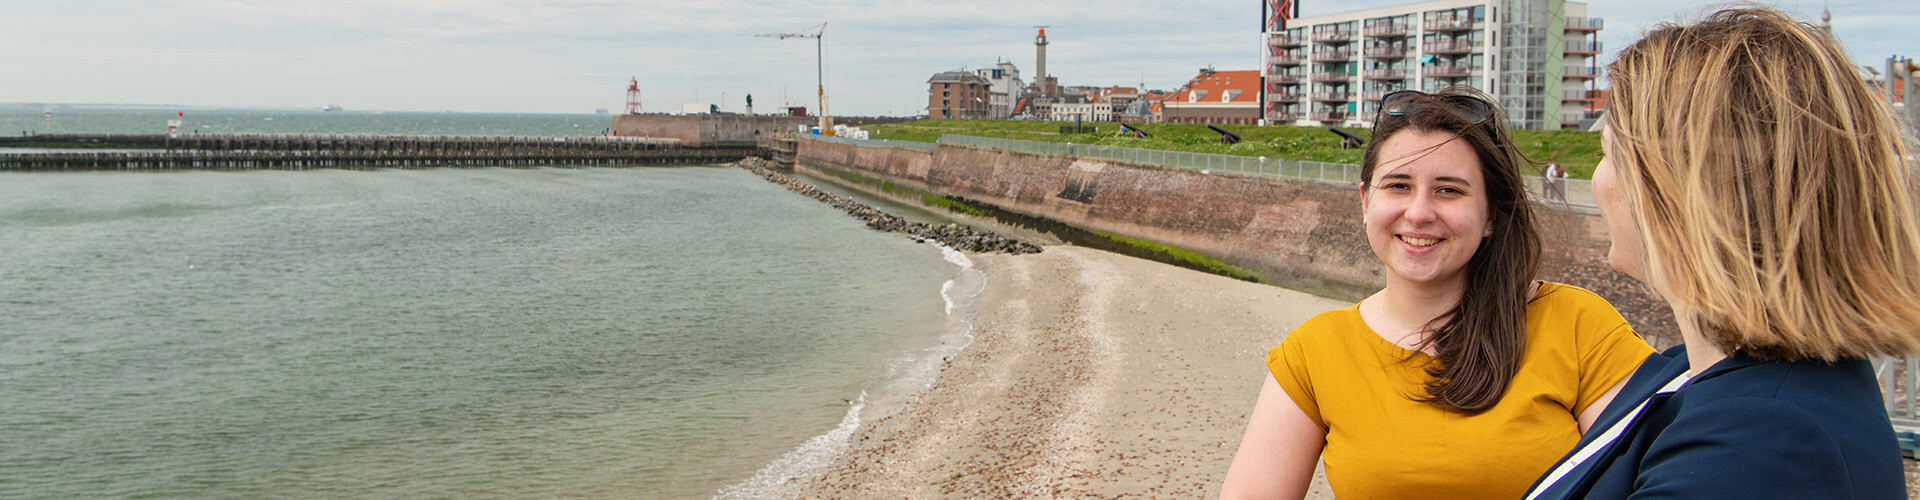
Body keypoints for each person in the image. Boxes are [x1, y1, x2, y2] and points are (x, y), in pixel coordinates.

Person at [1522, 7, 1920, 499]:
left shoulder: (1761, 445)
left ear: (1677, 190)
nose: (1600, 180)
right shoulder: (1700, 375)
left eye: (1608, 153)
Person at [1219, 88, 1656, 500]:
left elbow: (1654, 478)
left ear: (1490, 216)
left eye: (1449, 190)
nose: (1420, 212)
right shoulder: (1312, 354)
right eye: (1398, 185)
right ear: (1365, 202)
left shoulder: (1578, 325)